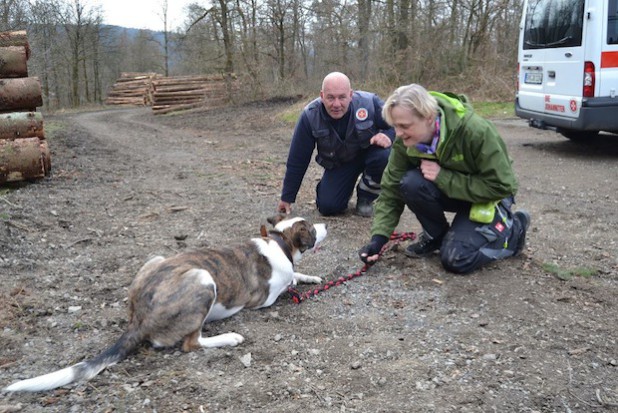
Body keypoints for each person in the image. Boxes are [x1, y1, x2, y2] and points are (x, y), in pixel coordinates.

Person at [359, 84, 530, 274]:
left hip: (489, 198)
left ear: (429, 117)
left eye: (405, 126)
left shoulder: (475, 131)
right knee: (410, 182)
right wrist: (379, 238)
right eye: (395, 126)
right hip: (455, 193)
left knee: (456, 259)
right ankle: (437, 237)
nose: (398, 134)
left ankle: (514, 232)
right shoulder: (405, 142)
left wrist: (444, 177)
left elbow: (504, 186)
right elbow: (391, 189)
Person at [277, 72, 395, 217]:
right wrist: (287, 197)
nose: (337, 104)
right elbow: (298, 159)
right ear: (322, 95)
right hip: (341, 162)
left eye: (342, 97)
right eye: (330, 98)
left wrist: (388, 135)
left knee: (384, 156)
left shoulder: (370, 103)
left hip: (371, 154)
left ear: (351, 95)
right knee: (329, 207)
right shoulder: (309, 116)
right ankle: (332, 189)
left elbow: (398, 123)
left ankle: (366, 196)